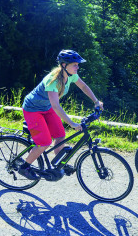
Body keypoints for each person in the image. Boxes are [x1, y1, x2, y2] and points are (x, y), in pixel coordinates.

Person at [17, 50, 104, 180]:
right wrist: (72, 123)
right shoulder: (53, 81)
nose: (78, 67)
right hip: (33, 109)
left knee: (60, 135)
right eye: (75, 64)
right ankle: (24, 167)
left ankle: (58, 164)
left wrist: (96, 101)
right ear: (64, 65)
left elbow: (84, 87)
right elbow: (56, 106)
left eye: (77, 64)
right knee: (44, 142)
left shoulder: (71, 75)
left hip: (46, 107)